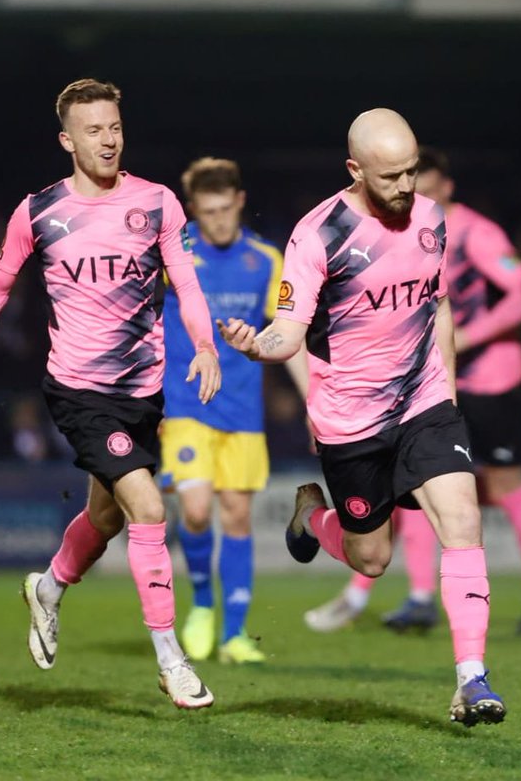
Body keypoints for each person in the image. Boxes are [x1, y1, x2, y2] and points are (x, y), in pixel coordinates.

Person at [0, 79, 221, 709]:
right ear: (67, 140)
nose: (108, 139)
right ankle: (171, 661)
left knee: (107, 516)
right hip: (78, 389)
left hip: (143, 391)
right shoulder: (39, 213)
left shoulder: (159, 203)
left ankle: (49, 588)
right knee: (146, 508)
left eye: (114, 127)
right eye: (93, 130)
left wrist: (203, 345)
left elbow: (188, 285)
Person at [218, 109, 505, 727]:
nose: (408, 187)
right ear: (355, 170)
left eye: (413, 171)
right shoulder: (318, 236)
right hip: (350, 420)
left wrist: (448, 395)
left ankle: (471, 678)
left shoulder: (431, 218)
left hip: (424, 402)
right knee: (371, 556)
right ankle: (310, 516)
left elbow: (441, 307)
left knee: (462, 518)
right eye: (392, 176)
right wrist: (253, 345)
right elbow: (288, 335)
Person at [303, 147, 521, 636]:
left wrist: (464, 337)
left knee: (501, 484)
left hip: (490, 376)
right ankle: (420, 594)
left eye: (419, 179)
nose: (410, 190)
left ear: (445, 185)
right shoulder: (394, 229)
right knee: (418, 483)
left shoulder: (473, 230)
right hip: (426, 379)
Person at [160, 157, 308, 665]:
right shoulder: (173, 256)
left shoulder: (267, 260)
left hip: (243, 409)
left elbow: (286, 337)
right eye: (208, 211)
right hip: (184, 403)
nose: (219, 220)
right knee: (196, 510)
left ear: (240, 202)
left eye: (226, 208)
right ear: (192, 210)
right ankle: (202, 604)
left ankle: (235, 635)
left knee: (238, 517)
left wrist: (314, 401)